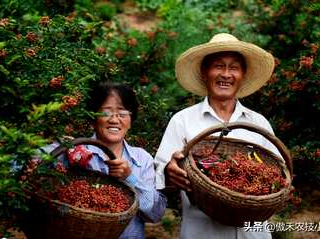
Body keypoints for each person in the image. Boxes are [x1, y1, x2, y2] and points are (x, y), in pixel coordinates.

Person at [154, 33, 280, 239]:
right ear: (205, 72)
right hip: (203, 232)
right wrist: (171, 171)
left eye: (234, 67)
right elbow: (161, 173)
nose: (226, 74)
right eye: (218, 66)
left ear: (243, 75)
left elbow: (278, 174)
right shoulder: (183, 121)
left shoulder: (259, 123)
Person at [44, 82, 167, 239]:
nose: (115, 120)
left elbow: (155, 214)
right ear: (93, 119)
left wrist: (130, 178)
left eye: (122, 114)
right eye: (106, 113)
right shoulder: (75, 151)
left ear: (131, 120)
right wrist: (61, 146)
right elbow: (28, 162)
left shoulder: (142, 159)